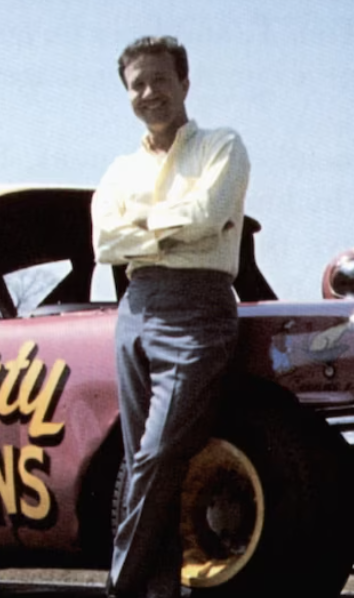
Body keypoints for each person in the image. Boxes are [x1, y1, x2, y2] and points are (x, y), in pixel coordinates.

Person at [91, 35, 250, 598]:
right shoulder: (118, 169)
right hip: (134, 310)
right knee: (140, 457)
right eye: (137, 84)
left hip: (199, 308)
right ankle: (158, 591)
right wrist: (170, 229)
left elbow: (208, 215)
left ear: (185, 82)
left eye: (160, 79)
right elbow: (106, 241)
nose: (149, 93)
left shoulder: (222, 146)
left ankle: (121, 584)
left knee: (160, 453)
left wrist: (144, 230)